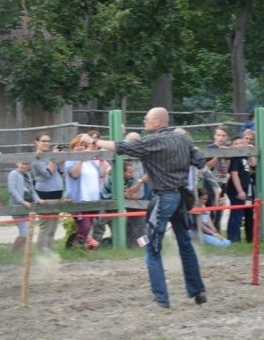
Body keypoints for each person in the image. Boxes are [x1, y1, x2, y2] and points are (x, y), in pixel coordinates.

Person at [83, 107, 208, 309]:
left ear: (157, 122)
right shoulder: (183, 139)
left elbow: (120, 147)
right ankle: (198, 291)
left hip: (164, 198)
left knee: (151, 247)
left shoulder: (152, 142)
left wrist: (95, 142)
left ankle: (161, 298)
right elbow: (201, 162)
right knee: (185, 243)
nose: (144, 122)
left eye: (146, 118)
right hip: (181, 198)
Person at [92, 160, 147, 247]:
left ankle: (142, 246)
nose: (132, 174)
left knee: (137, 228)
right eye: (129, 172)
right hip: (106, 207)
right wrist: (140, 182)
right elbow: (124, 194)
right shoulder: (112, 179)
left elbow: (135, 195)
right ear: (122, 172)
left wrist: (130, 193)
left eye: (132, 172)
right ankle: (93, 247)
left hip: (123, 208)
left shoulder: (130, 180)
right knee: (99, 228)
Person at [64, 134, 103, 249]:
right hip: (79, 199)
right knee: (84, 227)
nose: (80, 147)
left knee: (87, 227)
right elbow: (74, 174)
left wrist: (101, 160)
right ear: (72, 147)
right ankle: (72, 246)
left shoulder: (90, 161)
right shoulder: (70, 161)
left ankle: (81, 247)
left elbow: (101, 173)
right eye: (77, 145)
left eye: (82, 145)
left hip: (93, 199)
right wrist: (80, 160)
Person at [31, 132, 63, 251]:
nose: (46, 143)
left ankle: (50, 252)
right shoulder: (36, 158)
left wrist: (60, 158)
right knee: (45, 227)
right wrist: (54, 158)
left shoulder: (49, 156)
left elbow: (61, 171)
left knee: (53, 227)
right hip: (46, 194)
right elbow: (47, 173)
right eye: (43, 141)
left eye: (48, 141)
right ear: (37, 142)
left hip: (56, 193)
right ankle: (41, 254)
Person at [7, 160, 41, 252]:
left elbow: (32, 190)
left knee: (27, 231)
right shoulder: (13, 173)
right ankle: (13, 252)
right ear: (17, 163)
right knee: (24, 232)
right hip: (18, 206)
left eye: (27, 164)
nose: (25, 166)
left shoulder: (28, 175)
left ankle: (23, 253)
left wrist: (38, 200)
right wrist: (22, 201)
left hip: (28, 207)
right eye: (23, 164)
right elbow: (12, 190)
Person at [225, 137, 253, 243]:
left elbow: (253, 164)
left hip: (245, 187)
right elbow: (234, 174)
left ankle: (236, 236)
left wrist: (250, 152)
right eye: (236, 144)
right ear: (232, 146)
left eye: (241, 143)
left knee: (239, 214)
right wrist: (240, 190)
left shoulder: (243, 156)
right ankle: (233, 237)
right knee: (236, 213)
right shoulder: (235, 158)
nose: (239, 145)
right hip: (235, 189)